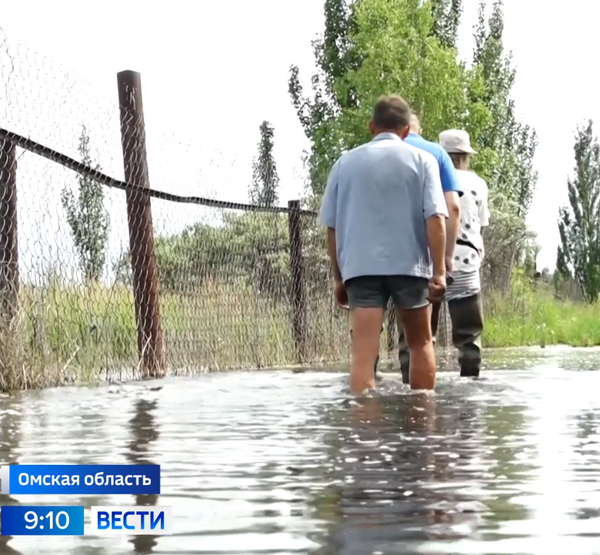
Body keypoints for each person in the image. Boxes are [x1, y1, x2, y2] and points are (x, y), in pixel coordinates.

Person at [318, 95, 448, 394]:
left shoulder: (344, 163)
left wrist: (339, 276)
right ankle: (422, 422)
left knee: (364, 352)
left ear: (371, 127)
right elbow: (437, 219)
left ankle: (365, 434)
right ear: (406, 131)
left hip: (361, 268)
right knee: (420, 344)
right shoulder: (424, 161)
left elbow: (333, 227)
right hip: (410, 266)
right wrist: (438, 271)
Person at [399, 129, 489, 382]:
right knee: (469, 338)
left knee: (417, 337)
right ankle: (469, 395)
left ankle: (412, 392)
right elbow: (478, 226)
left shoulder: (428, 175)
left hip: (426, 264)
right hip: (466, 265)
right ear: (466, 155)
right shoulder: (478, 183)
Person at [394, 113, 463, 382]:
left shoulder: (379, 152)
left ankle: (380, 397)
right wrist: (446, 256)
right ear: (416, 128)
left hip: (387, 255)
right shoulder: (436, 154)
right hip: (425, 255)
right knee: (422, 335)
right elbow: (452, 208)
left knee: (377, 332)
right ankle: (420, 401)